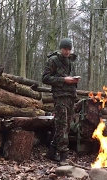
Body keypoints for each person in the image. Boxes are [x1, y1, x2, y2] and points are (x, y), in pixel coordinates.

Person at [42, 38, 79, 166]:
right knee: (62, 125)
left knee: (67, 126)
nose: (67, 51)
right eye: (65, 49)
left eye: (69, 49)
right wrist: (64, 80)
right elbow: (45, 78)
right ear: (61, 48)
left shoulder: (69, 61)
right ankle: (64, 155)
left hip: (70, 96)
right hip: (60, 96)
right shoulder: (53, 60)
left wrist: (73, 80)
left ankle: (52, 151)